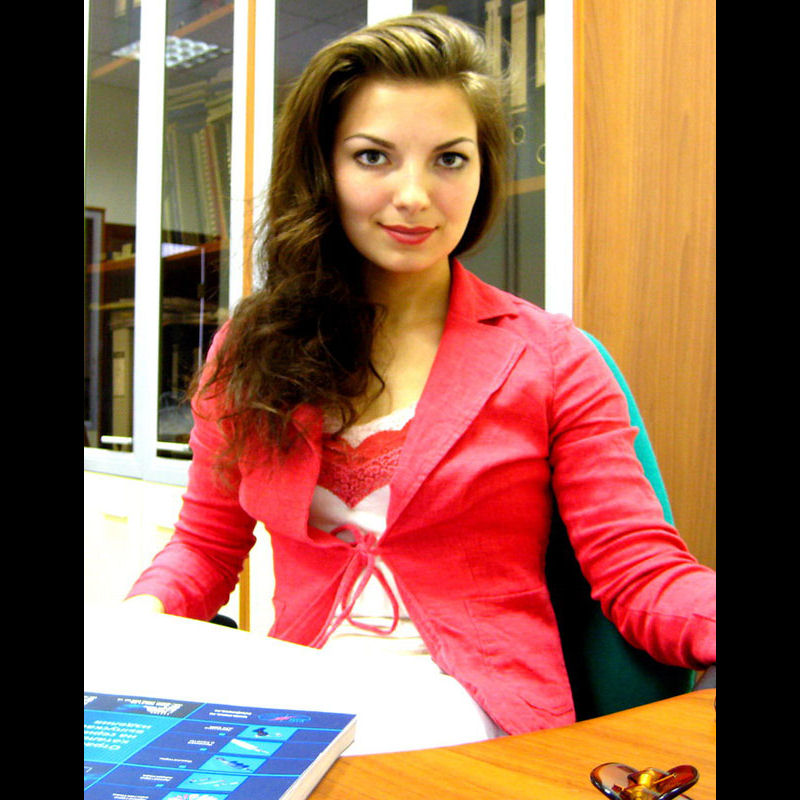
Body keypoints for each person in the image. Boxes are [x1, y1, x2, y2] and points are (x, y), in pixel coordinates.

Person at [124, 12, 715, 741]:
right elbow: (206, 546)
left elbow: (639, 569)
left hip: (475, 714)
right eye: (374, 157)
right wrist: (139, 619)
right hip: (295, 701)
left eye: (450, 159)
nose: (414, 195)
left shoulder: (553, 358)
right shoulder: (252, 351)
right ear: (323, 169)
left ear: (483, 170)